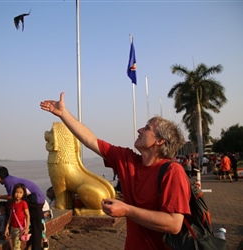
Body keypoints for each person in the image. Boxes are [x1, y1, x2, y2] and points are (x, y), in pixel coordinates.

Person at [40, 92, 191, 249]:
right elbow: (90, 140)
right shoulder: (127, 160)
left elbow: (174, 224)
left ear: (160, 141)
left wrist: (127, 210)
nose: (139, 130)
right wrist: (63, 113)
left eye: (147, 128)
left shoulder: (172, 172)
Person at [0, 166, 45, 250]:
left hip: (36, 200)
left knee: (10, 205)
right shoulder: (11, 179)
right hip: (36, 199)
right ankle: (32, 244)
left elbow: (12, 197)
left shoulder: (8, 181)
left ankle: (10, 230)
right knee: (35, 226)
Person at [5, 183, 30, 250]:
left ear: (23, 194)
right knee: (15, 245)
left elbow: (28, 215)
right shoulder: (13, 204)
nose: (18, 194)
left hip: (20, 229)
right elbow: (10, 216)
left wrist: (27, 228)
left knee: (16, 246)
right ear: (14, 193)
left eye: (20, 193)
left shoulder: (23, 203)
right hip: (13, 228)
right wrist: (7, 227)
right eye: (16, 192)